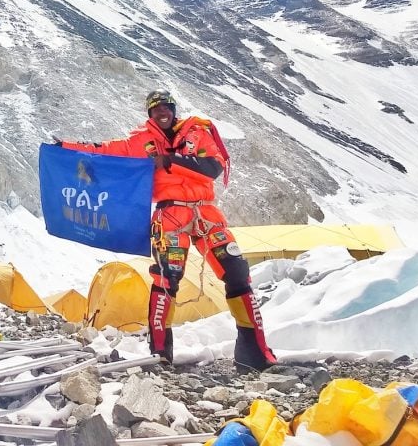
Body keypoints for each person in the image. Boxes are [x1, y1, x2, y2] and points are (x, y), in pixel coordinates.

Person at [59, 89, 276, 370]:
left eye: (166, 107)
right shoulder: (141, 141)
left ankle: (253, 350)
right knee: (166, 278)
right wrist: (64, 147)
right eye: (155, 108)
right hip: (170, 213)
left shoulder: (197, 133)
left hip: (206, 212)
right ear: (149, 114)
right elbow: (104, 151)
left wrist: (171, 161)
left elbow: (213, 167)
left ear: (173, 109)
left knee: (236, 272)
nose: (161, 112)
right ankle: (160, 354)